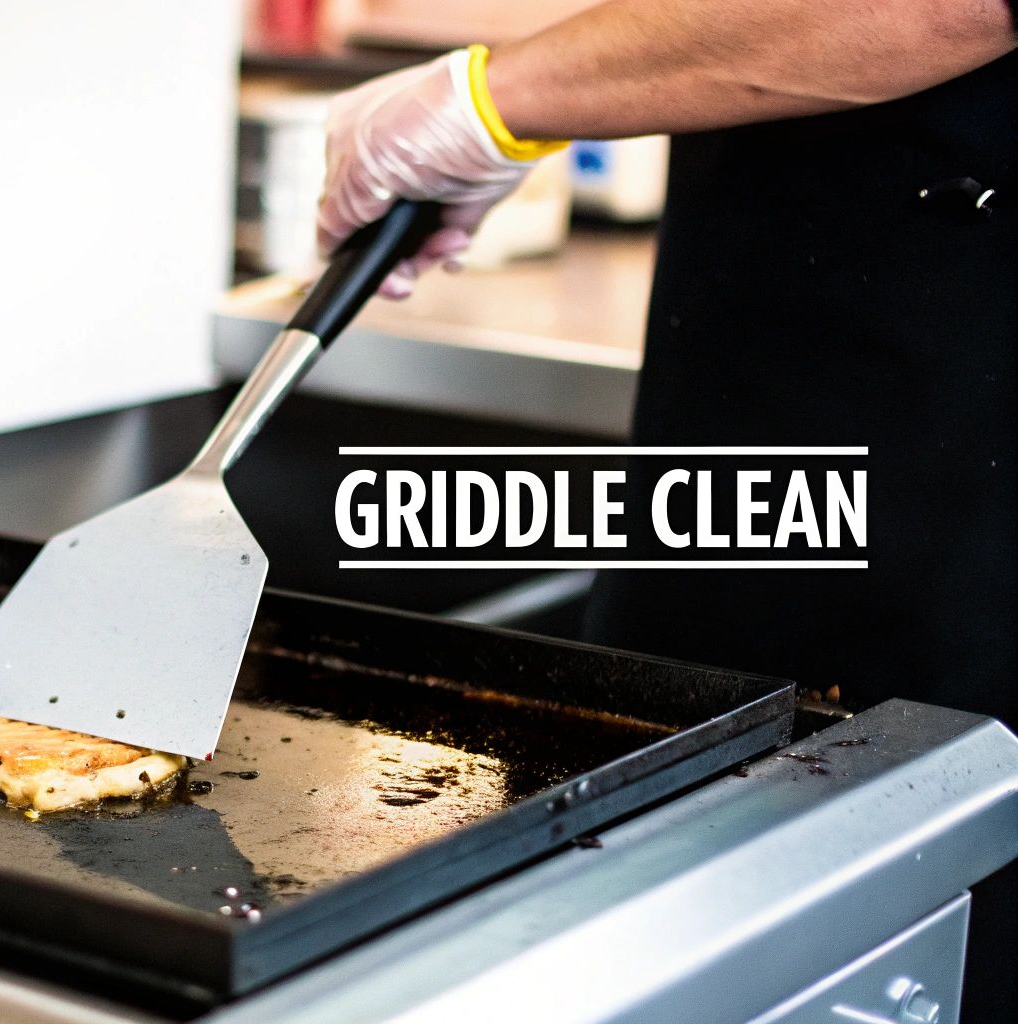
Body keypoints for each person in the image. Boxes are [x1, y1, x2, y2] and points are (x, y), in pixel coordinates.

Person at [316, 2, 1016, 1020]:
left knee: (900, 904)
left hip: (944, 438)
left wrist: (497, 98)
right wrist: (572, 83)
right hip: (766, 393)